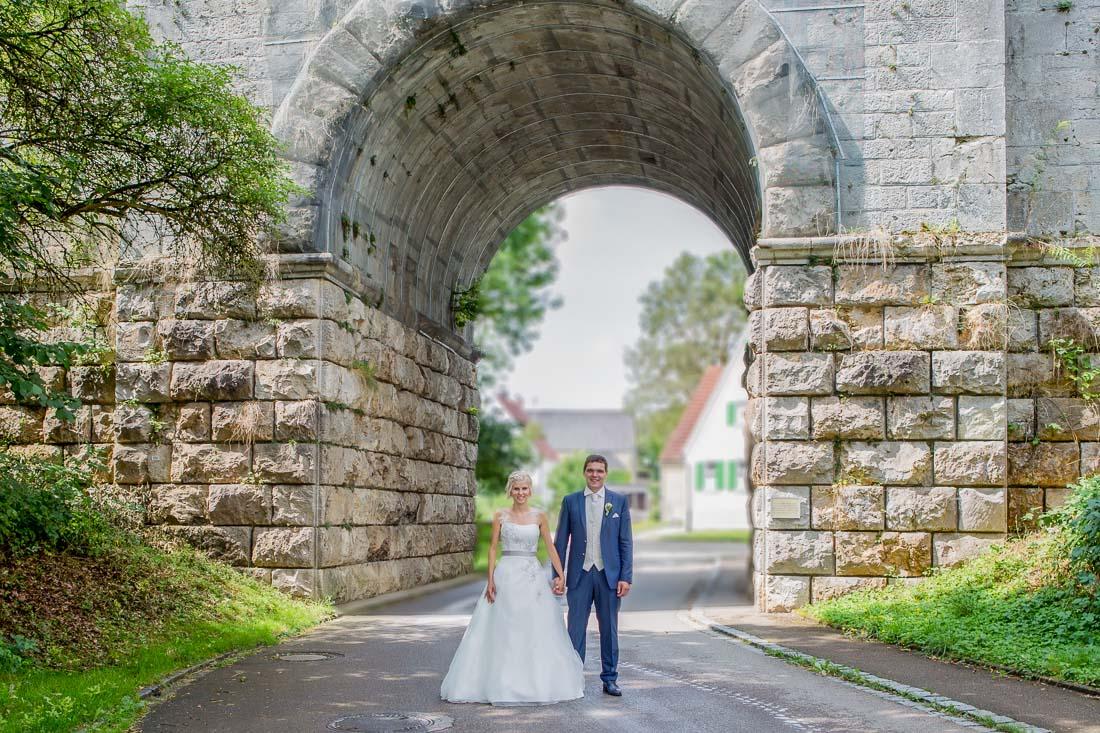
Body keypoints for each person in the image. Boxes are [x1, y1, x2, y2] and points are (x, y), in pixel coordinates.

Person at [440, 471, 584, 706]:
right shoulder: (500, 515)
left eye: (524, 488)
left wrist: (561, 575)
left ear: (530, 491)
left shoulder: (539, 516)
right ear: (510, 491)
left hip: (531, 576)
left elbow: (551, 547)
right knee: (503, 627)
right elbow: (493, 549)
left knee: (535, 626)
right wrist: (490, 579)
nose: (520, 493)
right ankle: (498, 681)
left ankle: (536, 682)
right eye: (516, 488)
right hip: (506, 572)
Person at [554, 454, 633, 696]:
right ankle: (573, 678)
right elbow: (560, 542)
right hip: (580, 574)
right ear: (584, 473)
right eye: (590, 470)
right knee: (575, 629)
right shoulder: (571, 501)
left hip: (608, 575)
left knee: (609, 629)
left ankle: (610, 678)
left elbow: (625, 542)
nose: (595, 475)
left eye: (599, 470)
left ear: (606, 473)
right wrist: (558, 574)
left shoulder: (618, 502)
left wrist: (625, 576)